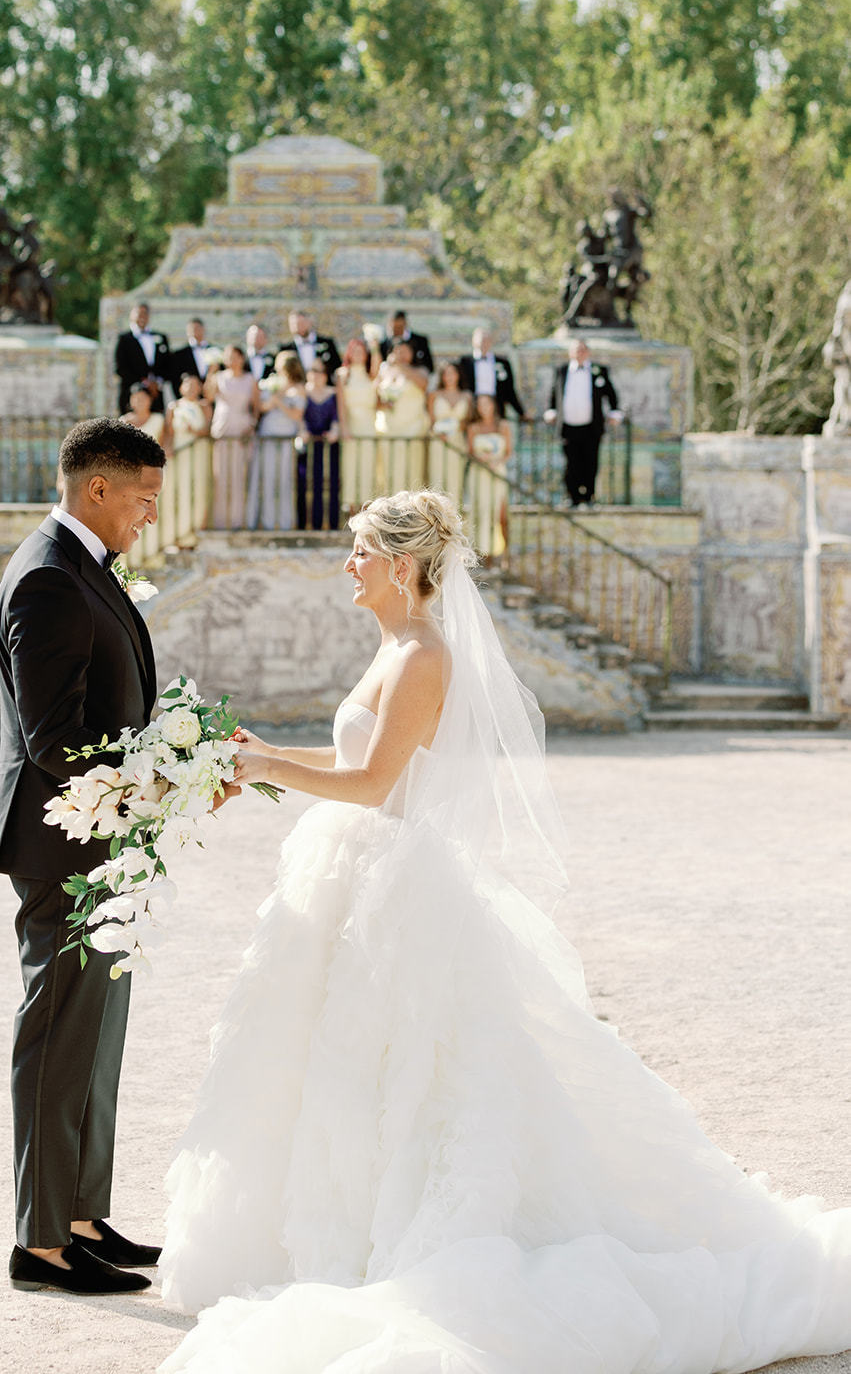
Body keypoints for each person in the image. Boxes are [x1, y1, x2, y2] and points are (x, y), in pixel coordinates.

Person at [159, 488, 851, 1373]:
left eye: (360, 550)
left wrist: (265, 765)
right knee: (338, 1067)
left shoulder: (422, 657)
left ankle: (398, 1237)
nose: (348, 563)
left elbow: (374, 786)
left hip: (392, 886)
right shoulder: (392, 646)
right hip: (351, 876)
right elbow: (358, 762)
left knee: (416, 1070)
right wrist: (261, 758)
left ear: (400, 567)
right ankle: (335, 1228)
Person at [0, 418, 167, 1297]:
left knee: (95, 1037)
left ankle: (82, 1216)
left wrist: (165, 757)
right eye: (143, 498)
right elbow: (54, 736)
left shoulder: (83, 566)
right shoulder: (49, 579)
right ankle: (41, 1243)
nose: (148, 516)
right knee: (58, 1033)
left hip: (104, 835)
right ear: (98, 488)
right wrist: (152, 780)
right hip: (65, 842)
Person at [544, 338, 622, 507]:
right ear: (570, 353)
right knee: (571, 463)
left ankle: (589, 496)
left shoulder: (598, 370)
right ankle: (572, 496)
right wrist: (551, 411)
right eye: (576, 350)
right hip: (568, 426)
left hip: (591, 426)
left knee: (591, 462)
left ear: (588, 352)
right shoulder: (562, 370)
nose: (579, 353)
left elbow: (611, 393)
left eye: (582, 350)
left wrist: (615, 412)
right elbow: (554, 393)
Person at [246, 351, 305, 531]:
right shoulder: (272, 383)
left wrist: (279, 401)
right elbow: (262, 408)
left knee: (285, 479)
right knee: (267, 478)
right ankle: (267, 521)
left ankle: (285, 522)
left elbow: (296, 414)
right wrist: (272, 399)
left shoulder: (299, 388)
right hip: (268, 434)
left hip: (286, 436)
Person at [207, 344, 259, 530]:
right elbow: (208, 396)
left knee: (239, 476)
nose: (231, 360)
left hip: (242, 430)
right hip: (222, 428)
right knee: (221, 476)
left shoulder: (250, 379)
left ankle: (238, 521)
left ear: (241, 358)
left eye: (235, 356)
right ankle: (221, 522)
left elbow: (256, 406)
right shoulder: (219, 378)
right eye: (228, 356)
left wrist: (252, 425)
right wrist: (211, 373)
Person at [374, 338, 429, 494]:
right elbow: (374, 397)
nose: (401, 354)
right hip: (388, 427)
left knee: (411, 469)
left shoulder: (420, 371)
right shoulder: (384, 371)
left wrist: (401, 367)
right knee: (387, 469)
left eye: (405, 351)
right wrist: (384, 403)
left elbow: (423, 384)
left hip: (412, 428)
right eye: (397, 350)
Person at [334, 337, 379, 513]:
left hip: (369, 423)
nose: (359, 355)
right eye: (355, 351)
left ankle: (366, 506)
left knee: (367, 465)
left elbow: (377, 364)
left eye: (362, 351)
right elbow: (341, 404)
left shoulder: (371, 374)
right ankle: (351, 506)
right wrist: (344, 427)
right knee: (351, 465)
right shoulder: (343, 375)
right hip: (352, 423)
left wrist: (374, 347)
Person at [468, 392, 513, 558]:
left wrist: (497, 462)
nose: (483, 408)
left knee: (499, 512)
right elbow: (470, 452)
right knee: (481, 510)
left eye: (486, 404)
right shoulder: (474, 428)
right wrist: (481, 459)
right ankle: (483, 553)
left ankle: (502, 552)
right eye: (480, 405)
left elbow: (508, 452)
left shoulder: (503, 426)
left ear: (493, 405)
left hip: (497, 471)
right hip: (479, 473)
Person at [169, 374, 212, 539]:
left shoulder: (204, 405)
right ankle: (180, 531)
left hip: (199, 451)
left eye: (196, 385)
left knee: (199, 489)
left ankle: (198, 528)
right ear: (181, 387)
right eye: (188, 384)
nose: (192, 388)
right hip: (180, 452)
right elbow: (169, 433)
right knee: (180, 489)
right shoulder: (174, 407)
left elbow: (209, 429)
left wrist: (194, 431)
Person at [298, 362, 340, 530]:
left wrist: (334, 432)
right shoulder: (303, 393)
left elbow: (337, 416)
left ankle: (332, 523)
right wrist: (303, 432)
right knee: (307, 483)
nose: (316, 375)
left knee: (332, 483)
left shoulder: (333, 393)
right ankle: (308, 524)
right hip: (308, 445)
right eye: (312, 371)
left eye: (319, 372)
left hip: (329, 445)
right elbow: (300, 416)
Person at [457, 327, 527, 420]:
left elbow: (509, 390)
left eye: (487, 340)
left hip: (497, 407)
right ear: (474, 342)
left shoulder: (502, 363)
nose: (484, 343)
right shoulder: (465, 362)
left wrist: (521, 412)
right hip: (472, 407)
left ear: (491, 342)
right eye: (481, 340)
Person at [427, 359, 473, 504]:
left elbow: (468, 421)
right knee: (437, 479)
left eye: (453, 373)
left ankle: (453, 519)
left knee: (455, 481)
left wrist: (456, 428)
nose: (450, 377)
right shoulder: (434, 395)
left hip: (457, 441)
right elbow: (430, 421)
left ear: (458, 375)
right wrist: (438, 433)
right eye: (446, 374)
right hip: (438, 441)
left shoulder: (467, 396)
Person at [113, 301, 169, 415]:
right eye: (138, 313)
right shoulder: (124, 339)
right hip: (132, 394)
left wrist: (157, 382)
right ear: (131, 316)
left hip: (156, 395)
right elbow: (120, 368)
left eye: (145, 313)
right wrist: (144, 382)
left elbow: (168, 363)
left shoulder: (160, 337)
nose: (142, 316)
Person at [278, 309, 340, 381]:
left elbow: (337, 367)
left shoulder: (327, 343)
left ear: (310, 323)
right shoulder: (285, 348)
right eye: (295, 324)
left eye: (302, 323)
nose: (299, 327)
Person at [168, 319, 215, 397]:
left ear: (204, 330)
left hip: (211, 399)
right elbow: (175, 379)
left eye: (198, 328)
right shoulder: (178, 354)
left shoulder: (215, 351)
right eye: (192, 329)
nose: (195, 331)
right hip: (189, 399)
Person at [379, 309, 433, 374]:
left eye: (399, 327)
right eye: (394, 327)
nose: (396, 331)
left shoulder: (420, 341)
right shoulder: (383, 344)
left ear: (405, 324)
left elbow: (429, 367)